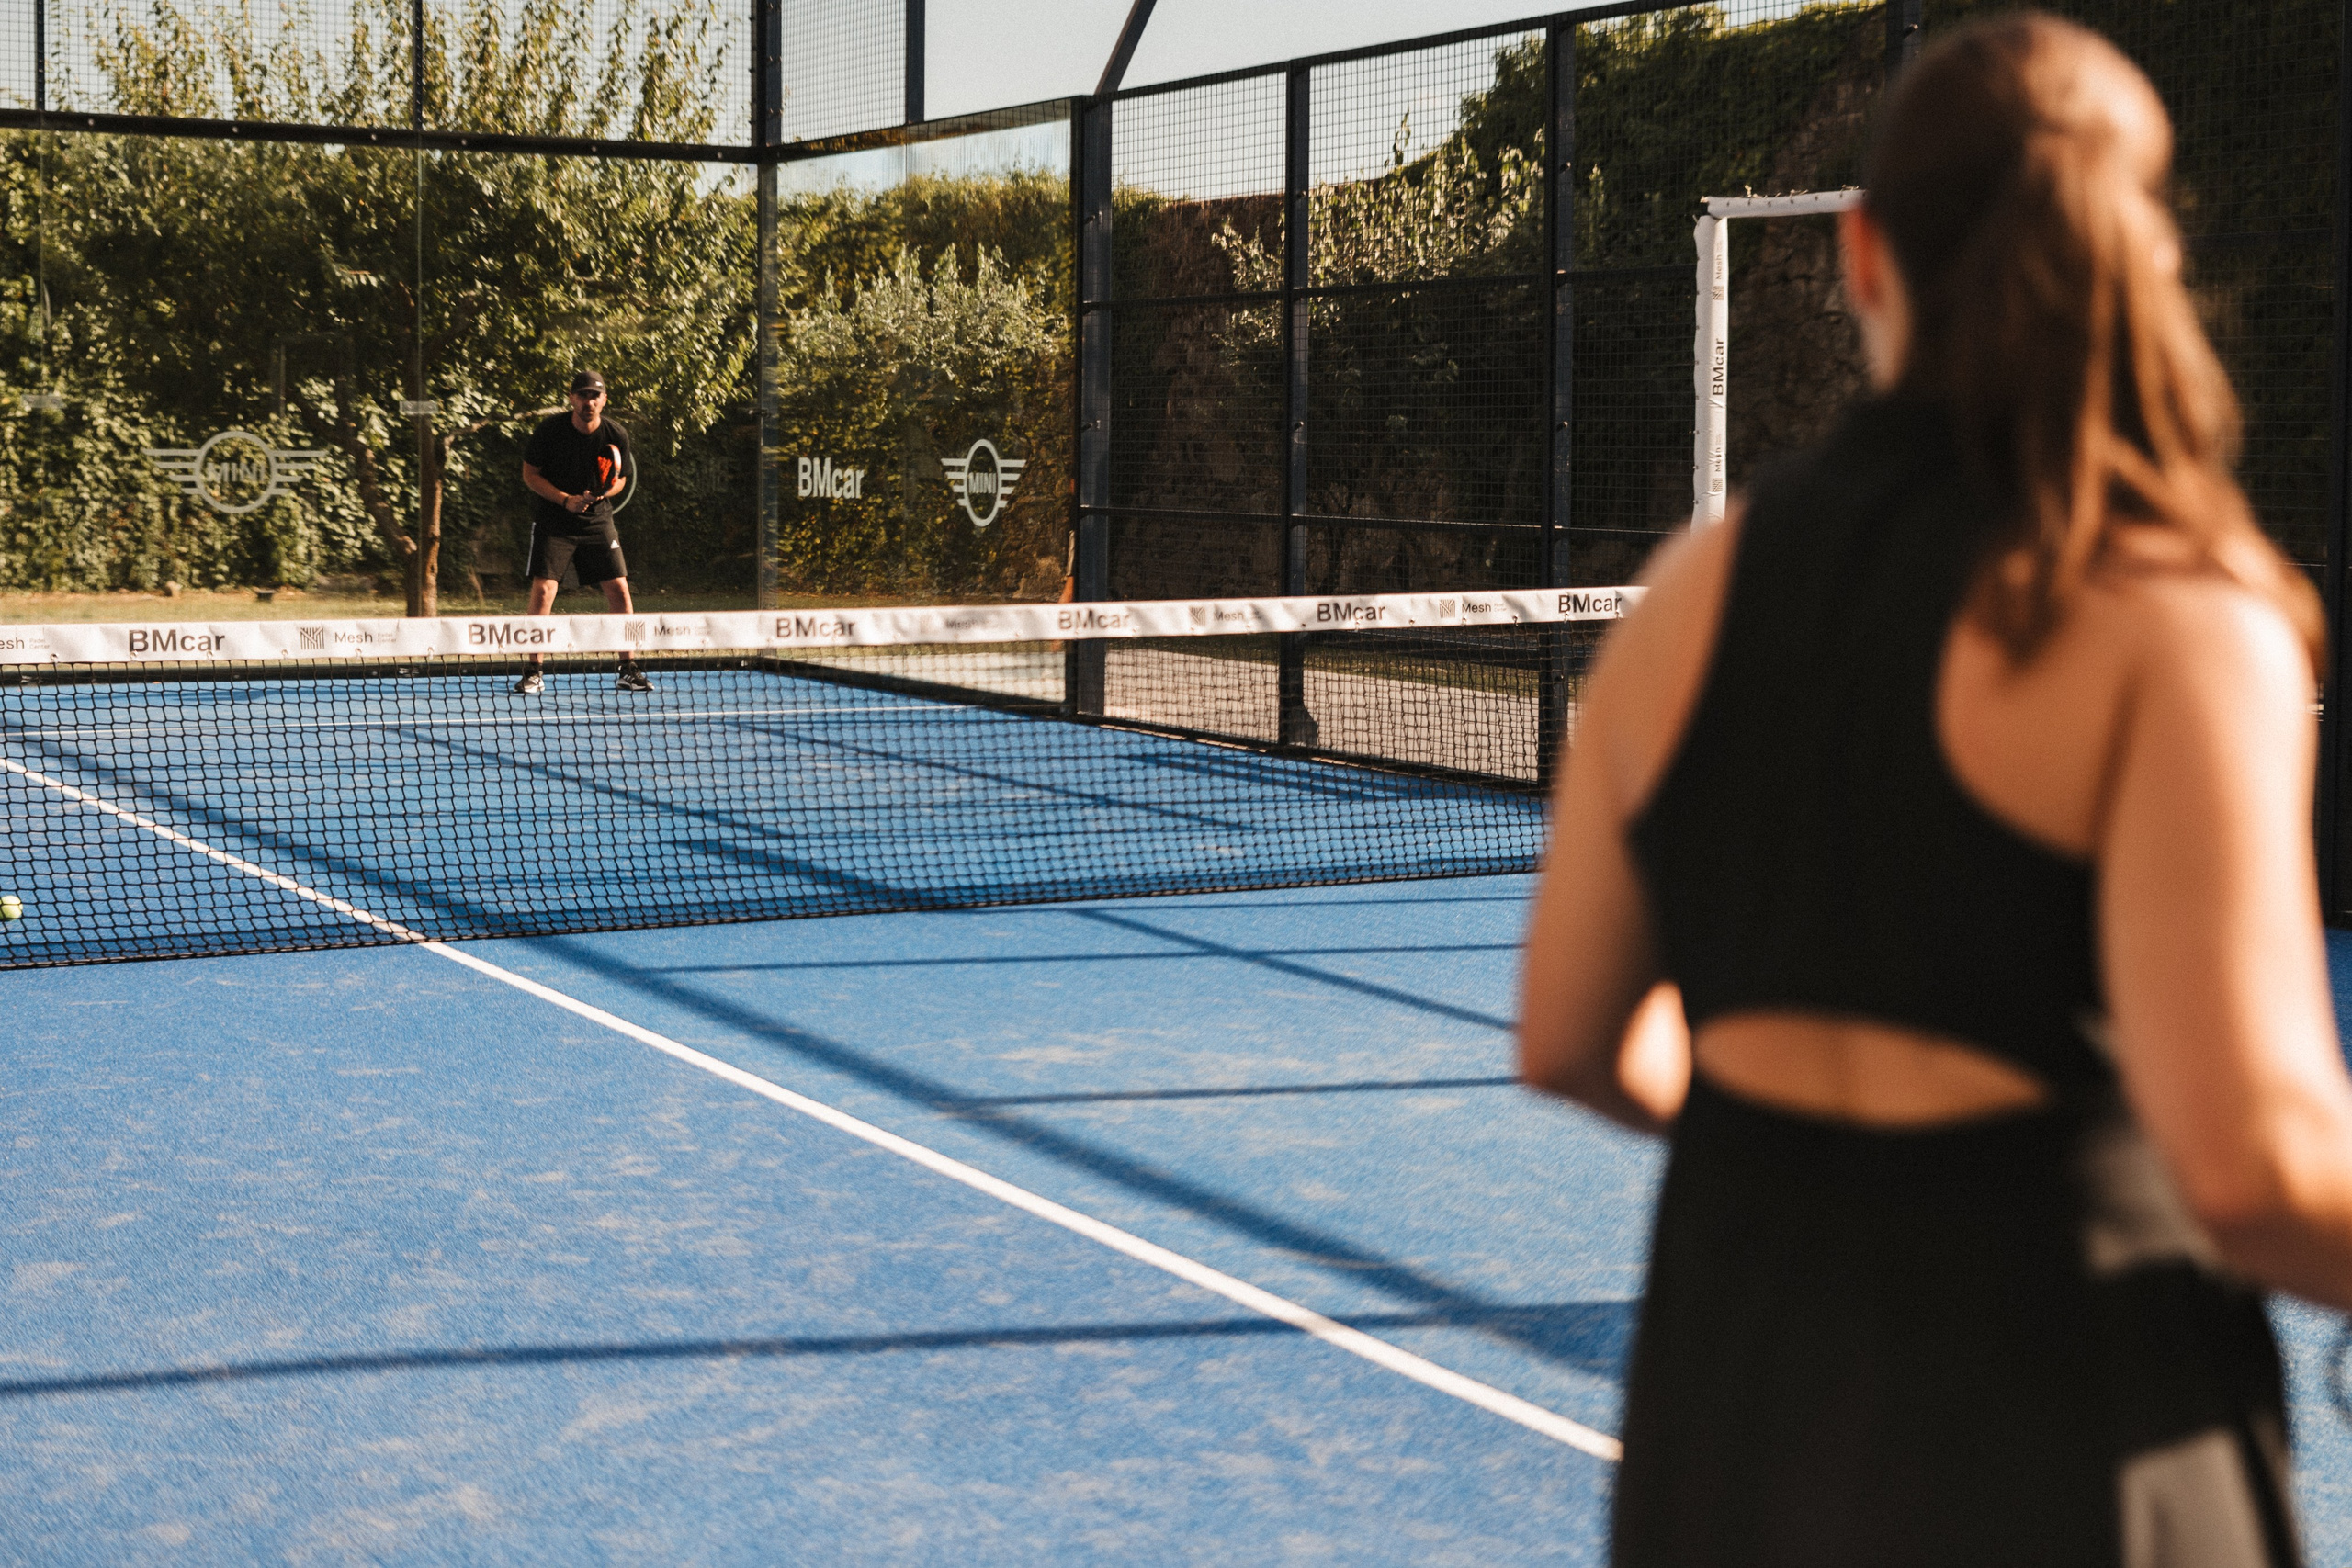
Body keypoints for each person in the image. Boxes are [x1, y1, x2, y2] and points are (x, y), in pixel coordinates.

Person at [1517, 14, 2352, 1566]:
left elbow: (1569, 1034)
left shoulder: (1693, 588)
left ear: (1862, 257)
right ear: (2144, 253)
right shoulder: (2178, 617)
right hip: (2074, 1435)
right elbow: (2254, 1171)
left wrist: (1812, 1156)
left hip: (1736, 1420)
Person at [515, 369, 650, 694]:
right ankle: (533, 670)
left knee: (619, 588)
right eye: (583, 395)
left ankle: (627, 667)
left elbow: (620, 479)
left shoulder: (615, 434)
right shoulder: (549, 431)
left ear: (604, 400)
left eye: (595, 395)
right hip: (554, 520)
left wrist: (603, 493)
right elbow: (530, 475)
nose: (589, 401)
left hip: (597, 521)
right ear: (572, 398)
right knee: (544, 590)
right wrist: (565, 500)